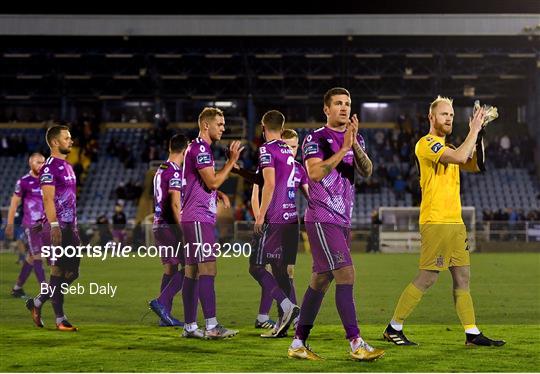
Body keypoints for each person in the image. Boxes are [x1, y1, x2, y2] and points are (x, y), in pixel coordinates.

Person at [382, 96, 505, 347]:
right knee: (428, 277)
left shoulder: (448, 148)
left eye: (451, 114)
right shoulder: (427, 144)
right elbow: (461, 157)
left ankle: (472, 333)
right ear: (431, 118)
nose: (448, 118)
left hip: (454, 223)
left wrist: (479, 134)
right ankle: (393, 327)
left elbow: (476, 164)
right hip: (435, 220)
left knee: (463, 277)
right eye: (443, 114)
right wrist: (473, 130)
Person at [288, 87, 384, 361]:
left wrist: (352, 143)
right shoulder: (314, 139)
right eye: (338, 103)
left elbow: (366, 170)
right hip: (322, 217)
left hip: (342, 220)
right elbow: (315, 173)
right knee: (346, 274)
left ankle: (298, 342)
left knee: (320, 281)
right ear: (326, 109)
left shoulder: (356, 139)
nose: (344, 107)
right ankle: (355, 342)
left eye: (348, 103)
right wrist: (343, 148)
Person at [180, 107, 243, 339]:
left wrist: (217, 195)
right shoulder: (200, 149)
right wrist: (231, 162)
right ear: (206, 125)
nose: (223, 128)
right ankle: (212, 326)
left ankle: (189, 327)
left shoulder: (197, 148)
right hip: (198, 218)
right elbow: (213, 181)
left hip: (193, 217)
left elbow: (202, 184)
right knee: (208, 268)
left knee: (193, 272)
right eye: (220, 123)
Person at [249, 111, 303, 339]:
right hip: (291, 219)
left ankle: (288, 307)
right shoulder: (288, 154)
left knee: (257, 267)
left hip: (275, 218)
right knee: (281, 272)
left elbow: (269, 184)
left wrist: (260, 216)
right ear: (282, 128)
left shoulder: (266, 149)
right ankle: (285, 321)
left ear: (263, 126)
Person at [26, 125, 81, 331]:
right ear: (56, 142)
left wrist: (73, 228)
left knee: (72, 273)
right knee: (57, 270)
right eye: (67, 138)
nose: (71, 141)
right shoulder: (48, 168)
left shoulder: (67, 166)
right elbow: (48, 198)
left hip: (70, 227)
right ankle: (60, 320)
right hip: (55, 226)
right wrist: (55, 225)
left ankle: (38, 301)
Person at [148, 134, 188, 327]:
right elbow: (174, 203)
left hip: (159, 224)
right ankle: (161, 303)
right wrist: (182, 230)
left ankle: (165, 316)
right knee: (190, 267)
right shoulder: (174, 171)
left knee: (170, 268)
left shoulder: (161, 169)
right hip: (170, 226)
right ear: (185, 150)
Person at [6, 153, 47, 298]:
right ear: (30, 163)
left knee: (31, 257)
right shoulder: (23, 181)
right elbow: (13, 204)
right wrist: (10, 223)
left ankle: (17, 288)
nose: (41, 165)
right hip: (31, 225)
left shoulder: (47, 180)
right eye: (38, 162)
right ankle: (45, 290)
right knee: (38, 256)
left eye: (43, 162)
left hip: (44, 225)